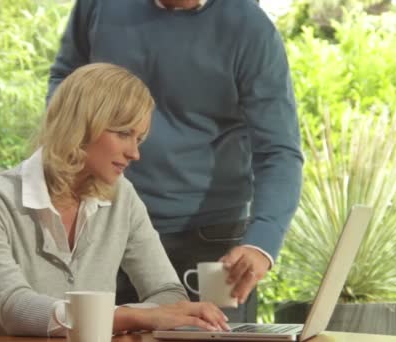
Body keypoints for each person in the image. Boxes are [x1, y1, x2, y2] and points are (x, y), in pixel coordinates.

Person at [47, 0, 303, 322]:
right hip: (102, 223)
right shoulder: (99, 6)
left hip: (209, 239)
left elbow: (278, 150)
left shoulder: (249, 28)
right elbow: (65, 82)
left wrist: (262, 243)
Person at [0, 63, 230, 336]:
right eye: (123, 133)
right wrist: (128, 317)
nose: (135, 153)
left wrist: (125, 317)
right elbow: (15, 310)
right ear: (80, 126)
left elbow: (168, 293)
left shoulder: (122, 196)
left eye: (139, 138)